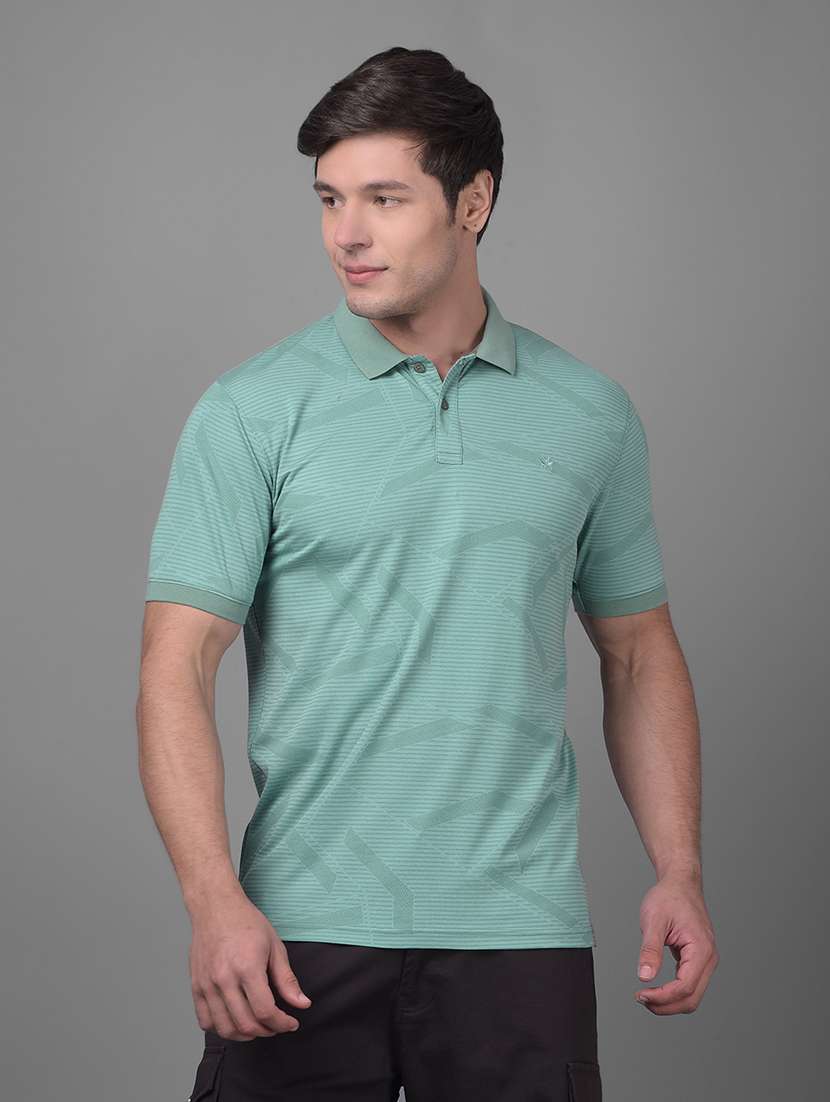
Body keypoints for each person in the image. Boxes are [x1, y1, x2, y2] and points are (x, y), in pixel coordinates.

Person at [136, 45, 718, 1102]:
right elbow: (176, 667)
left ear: (473, 202)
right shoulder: (250, 410)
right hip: (295, 934)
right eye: (329, 200)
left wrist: (677, 868)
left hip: (520, 934)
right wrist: (212, 899)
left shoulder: (589, 413)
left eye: (384, 198)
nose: (345, 234)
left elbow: (637, 653)